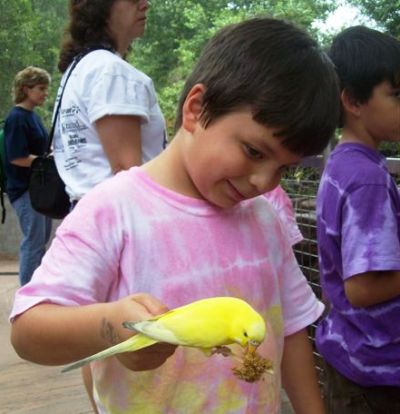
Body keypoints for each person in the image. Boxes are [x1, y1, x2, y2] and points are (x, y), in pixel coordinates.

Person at [9, 17, 340, 414]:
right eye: (254, 152)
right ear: (196, 109)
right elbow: (28, 331)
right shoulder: (114, 209)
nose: (263, 181)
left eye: (284, 169)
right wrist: (113, 326)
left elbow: (292, 327)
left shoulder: (266, 220)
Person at [314, 26, 400, 413]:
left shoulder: (341, 164)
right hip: (376, 371)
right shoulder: (367, 178)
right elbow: (363, 289)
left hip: (348, 352)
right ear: (352, 100)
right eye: (397, 95)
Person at [54, 0, 166, 206]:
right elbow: (126, 172)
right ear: (100, 8)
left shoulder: (80, 67)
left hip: (88, 211)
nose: (145, 4)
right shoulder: (112, 72)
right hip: (118, 216)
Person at [4, 66, 52, 286]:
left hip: (37, 190)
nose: (45, 93)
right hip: (24, 190)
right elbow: (17, 157)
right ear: (26, 88)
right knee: (33, 243)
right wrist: (46, 162)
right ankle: (28, 296)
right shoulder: (17, 118)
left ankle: (37, 289)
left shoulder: (32, 117)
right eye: (41, 88)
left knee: (40, 242)